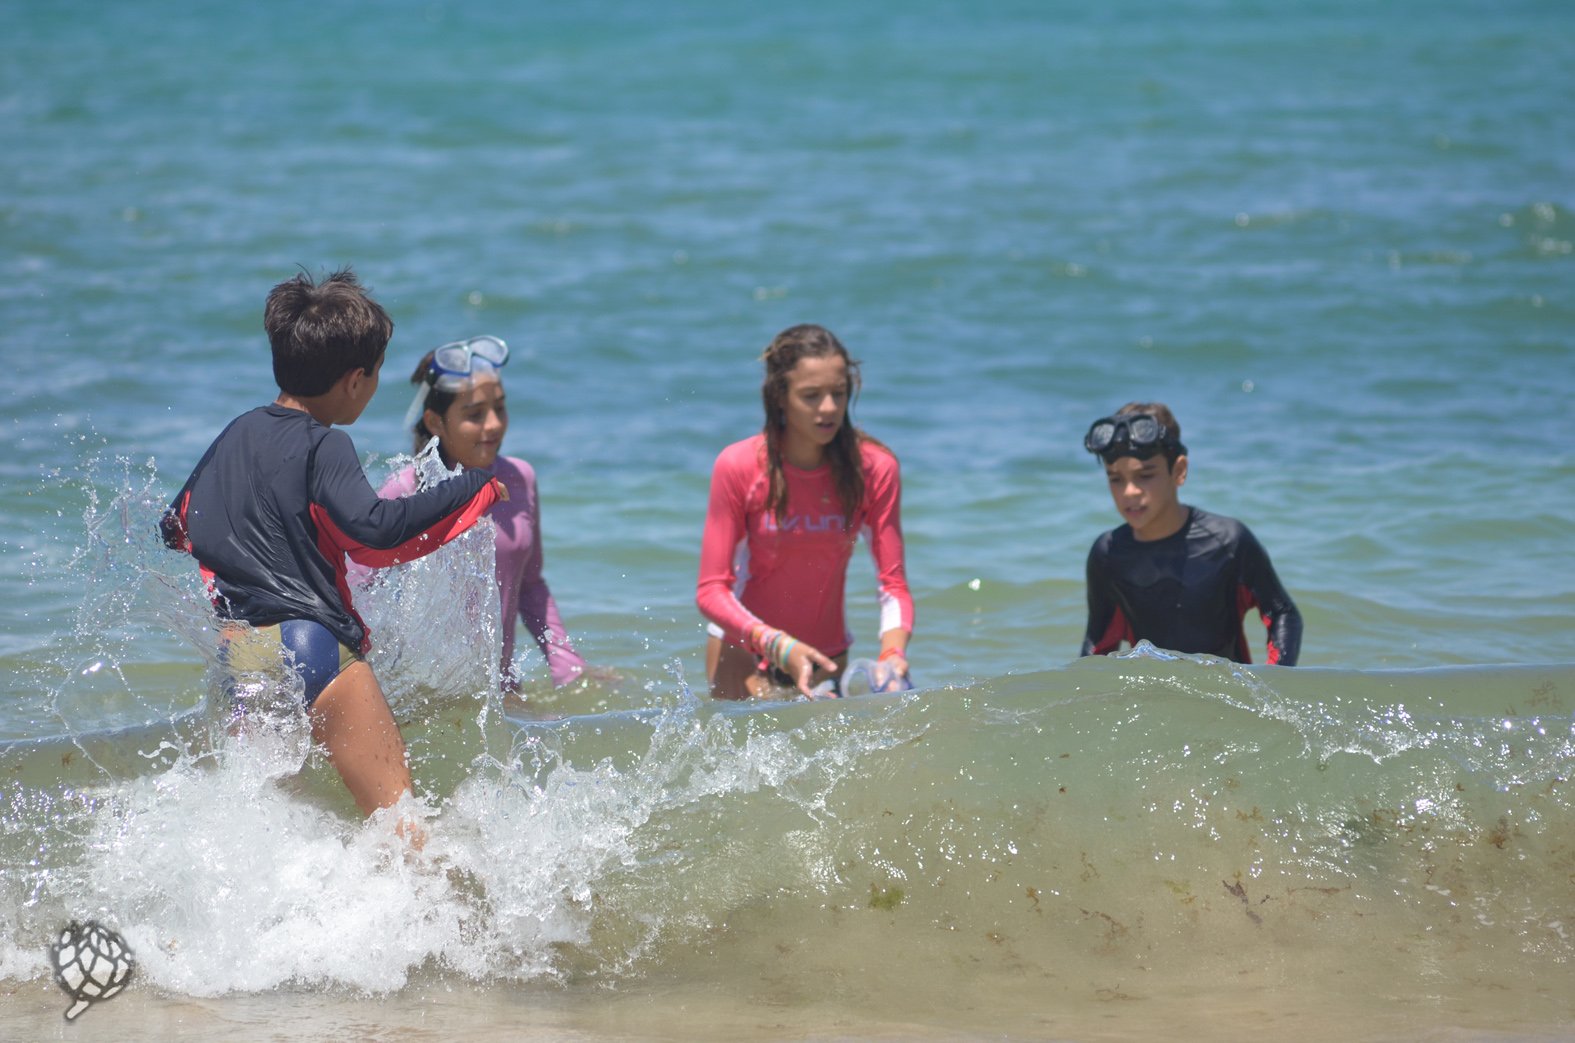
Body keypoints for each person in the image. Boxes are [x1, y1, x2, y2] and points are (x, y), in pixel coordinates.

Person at [159, 269, 508, 828]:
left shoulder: (236, 432)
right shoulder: (326, 444)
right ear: (354, 381)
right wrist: (471, 485)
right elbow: (375, 529)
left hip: (241, 655)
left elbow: (177, 527)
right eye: (375, 376)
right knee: (400, 828)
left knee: (269, 829)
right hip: (312, 646)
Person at [696, 324, 915, 699]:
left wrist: (892, 654)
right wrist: (779, 645)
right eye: (811, 396)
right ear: (780, 396)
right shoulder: (739, 466)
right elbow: (711, 590)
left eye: (839, 393)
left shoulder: (874, 469)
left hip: (827, 660)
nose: (829, 407)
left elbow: (892, 585)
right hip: (744, 652)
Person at [382, 334, 588, 691]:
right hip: (423, 694)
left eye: (500, 408)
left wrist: (570, 670)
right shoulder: (405, 490)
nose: (493, 424)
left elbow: (531, 586)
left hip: (502, 690)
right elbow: (354, 585)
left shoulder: (520, 478)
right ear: (435, 422)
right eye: (475, 414)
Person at [1080, 402, 1302, 665]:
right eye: (1115, 479)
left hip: (1224, 699)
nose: (1129, 492)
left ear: (1179, 471)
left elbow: (1282, 614)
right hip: (1152, 698)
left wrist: (1271, 688)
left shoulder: (1228, 541)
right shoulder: (1108, 554)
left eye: (1145, 475)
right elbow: (1098, 642)